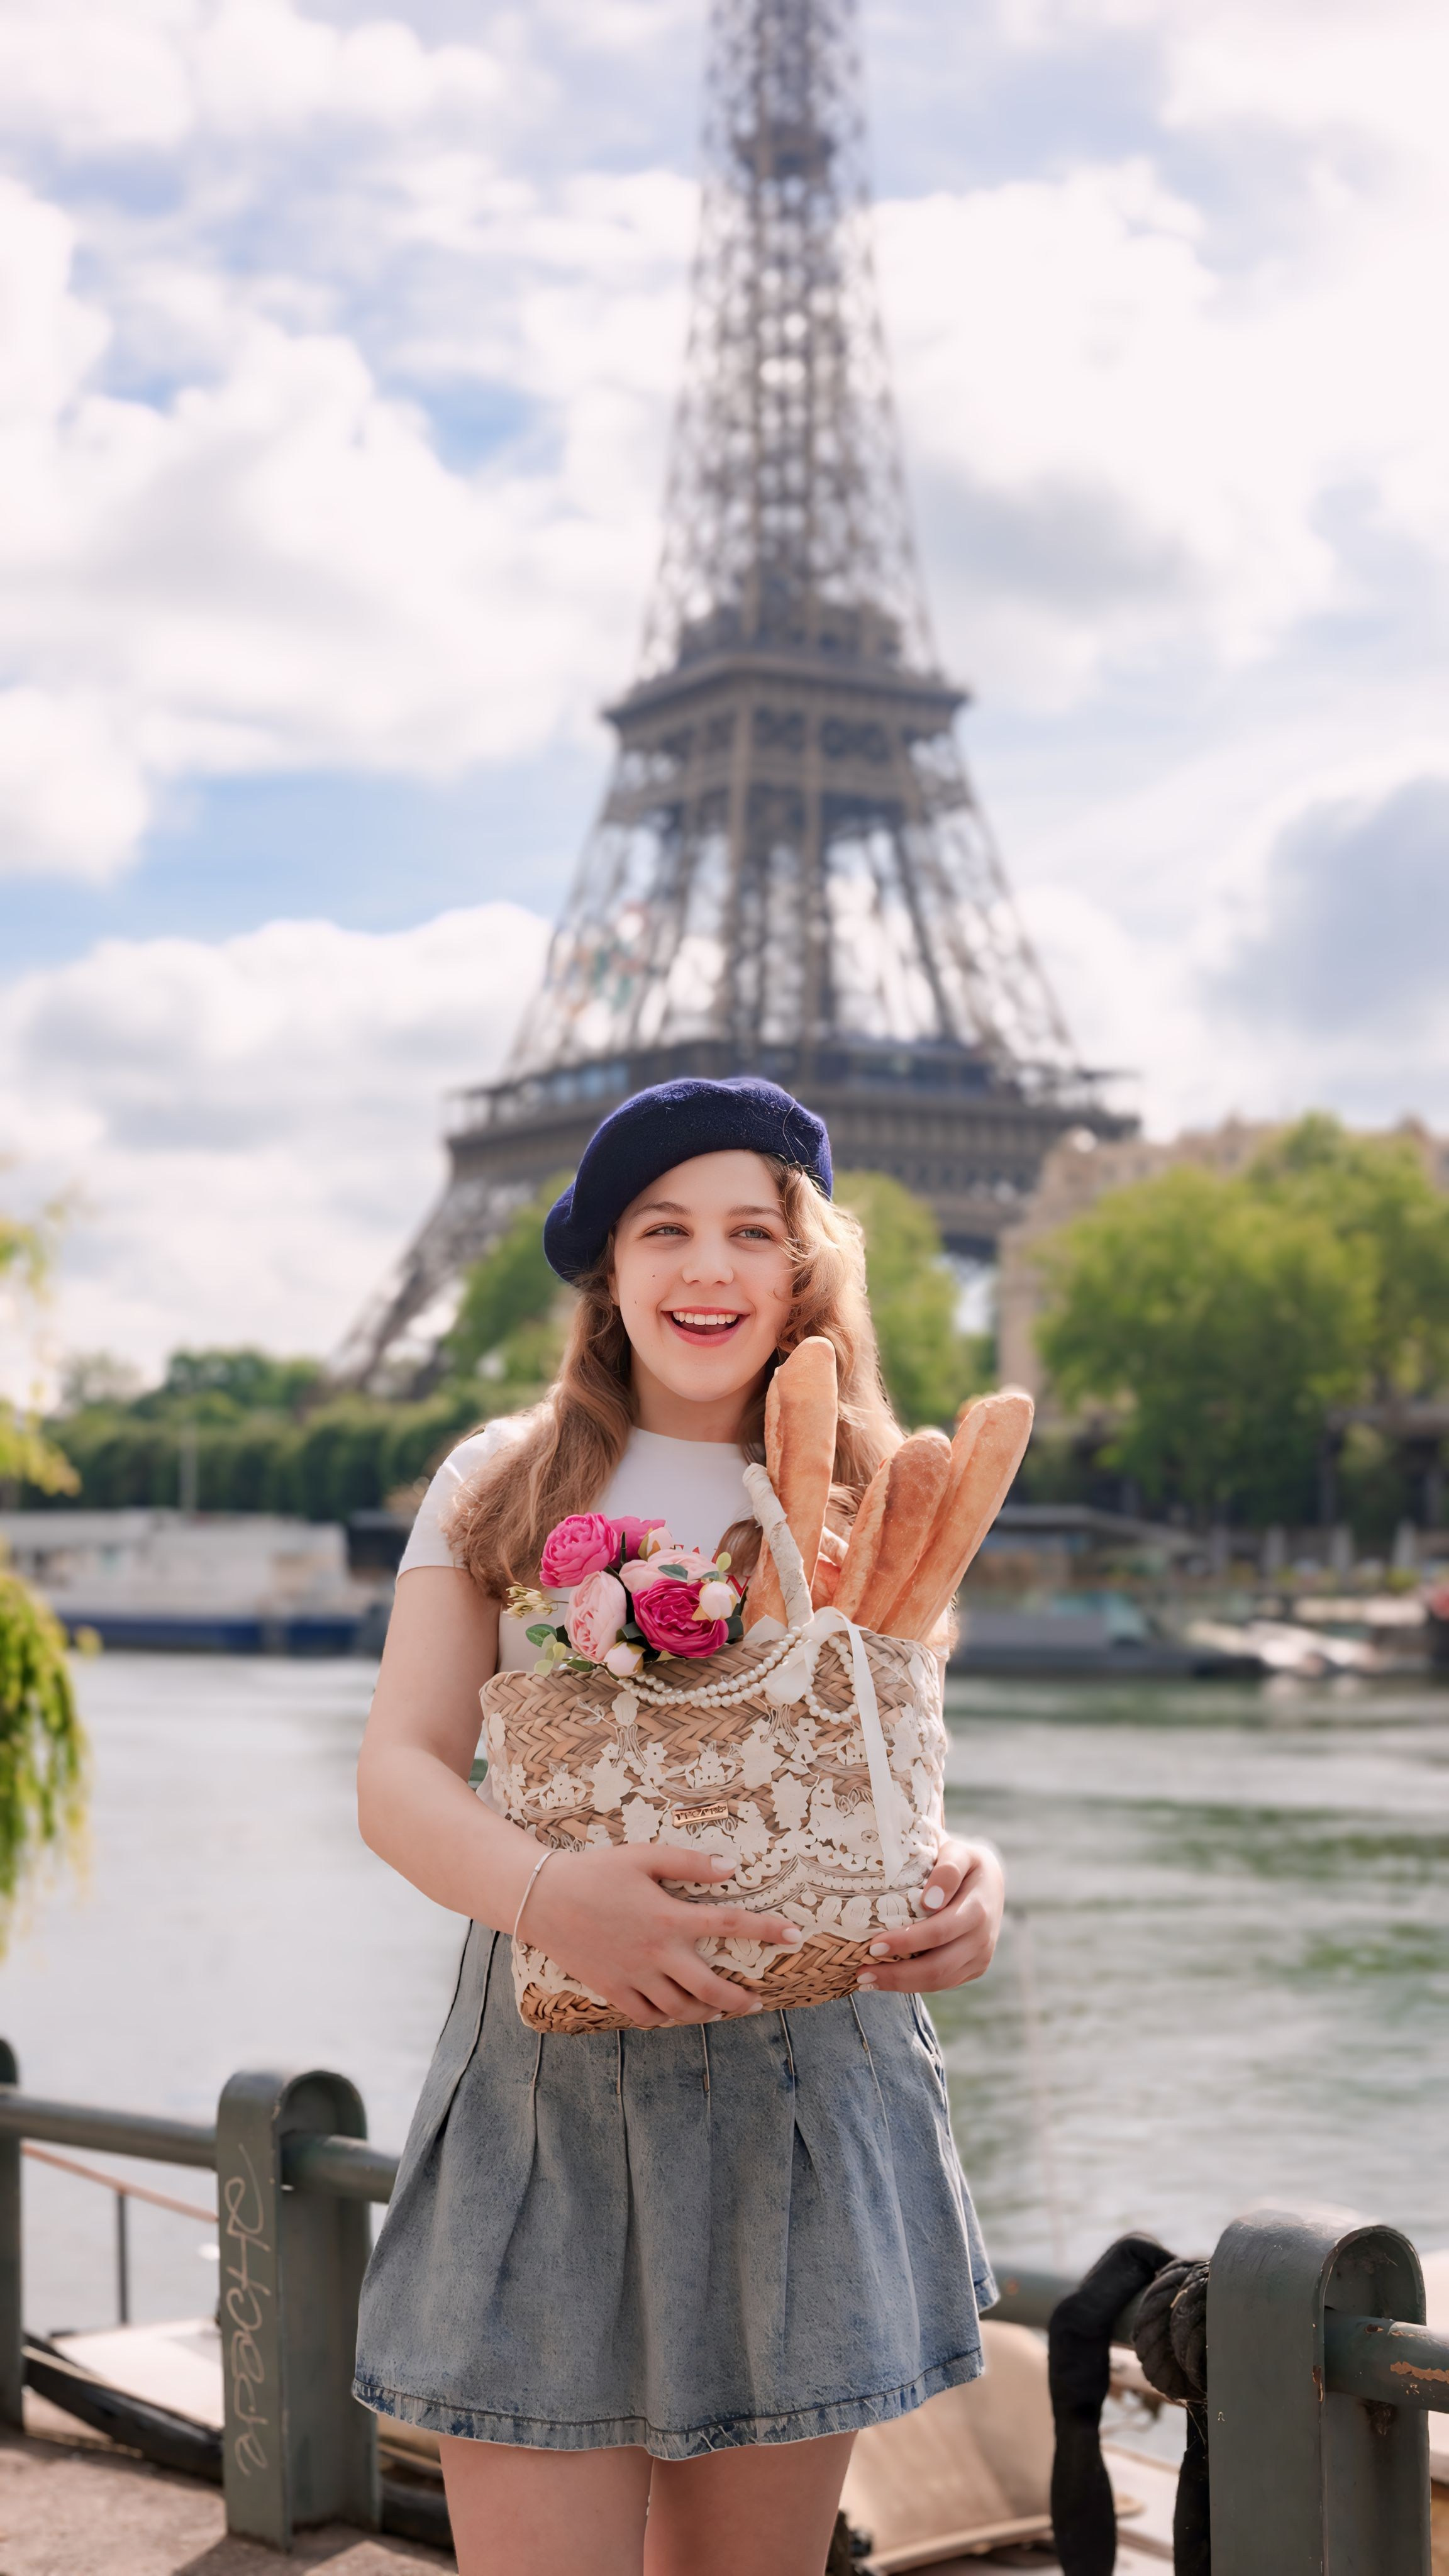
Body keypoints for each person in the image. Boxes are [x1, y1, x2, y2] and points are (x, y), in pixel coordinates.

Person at [353, 1075, 1005, 2576]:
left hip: (810, 2090)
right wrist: (550, 1894)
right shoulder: (504, 1479)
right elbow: (398, 1770)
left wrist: (975, 1881)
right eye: (664, 1229)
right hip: (552, 2091)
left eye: (750, 1231)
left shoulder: (875, 1495)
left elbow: (891, 1786)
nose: (708, 1266)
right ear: (607, 1265)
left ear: (803, 1265)